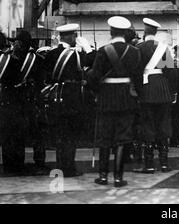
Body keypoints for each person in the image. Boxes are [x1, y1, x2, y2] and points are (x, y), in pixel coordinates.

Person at [87, 16, 142, 187]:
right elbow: (138, 78)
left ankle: (103, 176)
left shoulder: (103, 51)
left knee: (105, 137)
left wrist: (96, 92)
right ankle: (118, 177)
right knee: (123, 137)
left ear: (111, 31)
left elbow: (94, 77)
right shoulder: (134, 52)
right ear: (126, 33)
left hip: (106, 98)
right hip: (126, 98)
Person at [43, 24, 95, 177]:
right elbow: (93, 61)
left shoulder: (51, 53)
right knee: (71, 135)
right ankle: (69, 168)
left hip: (56, 97)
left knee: (59, 134)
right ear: (71, 37)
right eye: (75, 36)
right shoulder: (75, 54)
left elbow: (47, 76)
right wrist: (88, 48)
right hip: (72, 98)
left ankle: (60, 166)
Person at [0, 31, 47, 175]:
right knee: (11, 133)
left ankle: (27, 164)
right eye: (15, 42)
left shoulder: (34, 59)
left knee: (26, 134)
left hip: (28, 100)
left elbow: (40, 82)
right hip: (13, 101)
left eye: (18, 42)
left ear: (24, 43)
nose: (15, 44)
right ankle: (11, 164)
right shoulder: (10, 58)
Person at [136, 18, 176, 174]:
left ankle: (149, 164)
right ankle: (164, 163)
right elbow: (171, 72)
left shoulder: (138, 48)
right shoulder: (164, 49)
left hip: (146, 90)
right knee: (163, 126)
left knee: (148, 126)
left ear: (145, 32)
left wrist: (138, 91)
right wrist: (171, 91)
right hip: (163, 89)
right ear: (155, 32)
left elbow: (136, 72)